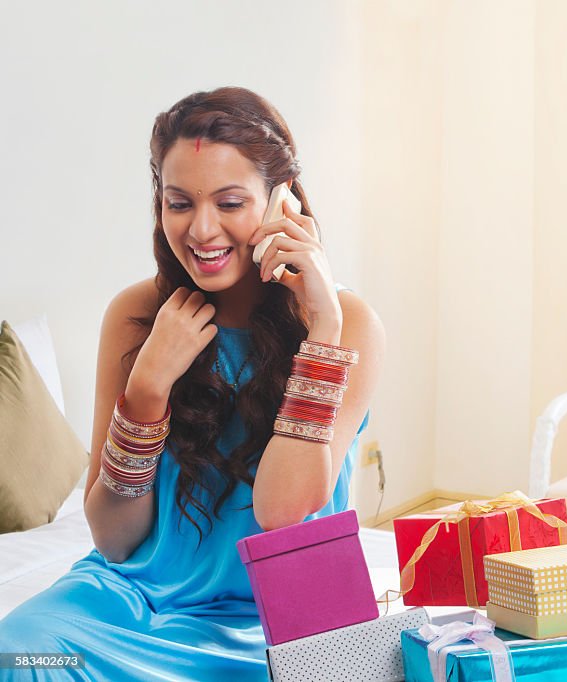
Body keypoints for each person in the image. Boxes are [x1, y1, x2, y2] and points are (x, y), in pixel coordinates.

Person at [0, 86, 385, 681]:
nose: (202, 230)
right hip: (134, 604)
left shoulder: (346, 324)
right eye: (179, 203)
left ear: (282, 201)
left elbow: (283, 511)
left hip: (282, 621)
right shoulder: (134, 316)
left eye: (230, 202)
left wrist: (323, 328)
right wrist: (149, 388)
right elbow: (114, 539)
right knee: (20, 652)